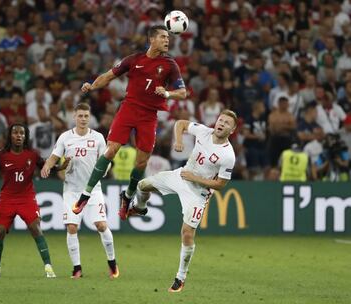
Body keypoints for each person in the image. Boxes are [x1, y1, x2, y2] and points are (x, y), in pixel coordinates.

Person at [73, 25, 186, 220]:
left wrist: (167, 93)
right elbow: (108, 76)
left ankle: (127, 196)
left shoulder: (170, 65)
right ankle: (86, 193)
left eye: (168, 37)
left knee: (141, 161)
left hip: (149, 116)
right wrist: (92, 86)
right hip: (128, 109)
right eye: (162, 37)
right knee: (111, 150)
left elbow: (183, 92)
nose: (167, 40)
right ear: (151, 39)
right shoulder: (134, 60)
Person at [129, 110, 237, 292]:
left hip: (198, 192)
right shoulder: (203, 131)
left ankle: (180, 277)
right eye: (221, 120)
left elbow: (220, 184)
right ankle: (140, 207)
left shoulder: (228, 156)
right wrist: (178, 140)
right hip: (181, 176)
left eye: (227, 123)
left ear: (232, 130)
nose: (221, 124)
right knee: (142, 185)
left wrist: (195, 178)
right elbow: (180, 123)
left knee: (187, 233)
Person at [40, 103, 119, 279]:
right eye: (80, 116)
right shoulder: (65, 138)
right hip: (71, 190)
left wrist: (105, 169)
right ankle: (77, 268)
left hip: (93, 190)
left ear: (89, 117)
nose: (83, 119)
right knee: (72, 227)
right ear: (74, 117)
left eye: (86, 116)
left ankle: (112, 263)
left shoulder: (98, 138)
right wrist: (47, 166)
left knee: (101, 225)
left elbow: (106, 159)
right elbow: (54, 156)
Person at [0, 123, 69, 279]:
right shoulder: (0, 155)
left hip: (27, 197)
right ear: (10, 136)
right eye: (15, 133)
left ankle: (48, 267)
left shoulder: (32, 154)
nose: (19, 135)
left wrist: (60, 167)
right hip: (7, 198)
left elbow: (46, 166)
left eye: (22, 133)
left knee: (36, 228)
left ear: (25, 136)